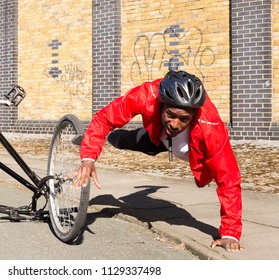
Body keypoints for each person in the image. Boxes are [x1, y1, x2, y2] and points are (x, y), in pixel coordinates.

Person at [72, 70, 243, 252]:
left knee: (217, 167)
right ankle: (99, 138)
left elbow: (229, 180)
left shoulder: (211, 127)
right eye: (171, 115)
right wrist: (89, 157)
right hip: (156, 138)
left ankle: (98, 138)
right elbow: (105, 118)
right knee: (125, 140)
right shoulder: (147, 94)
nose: (175, 124)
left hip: (191, 148)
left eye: (184, 118)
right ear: (161, 105)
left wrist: (230, 233)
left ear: (194, 113)